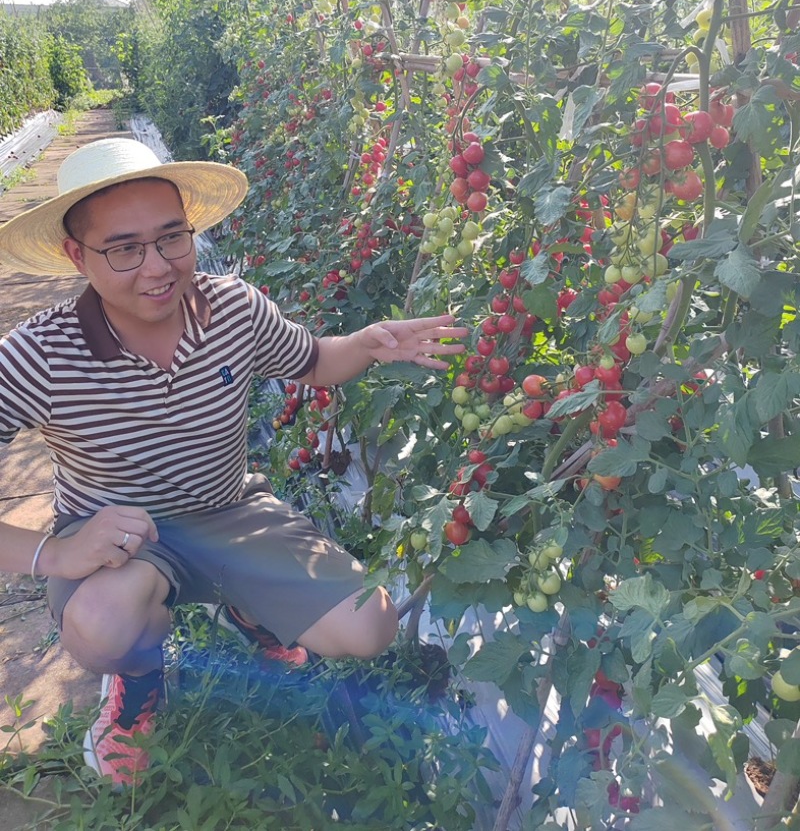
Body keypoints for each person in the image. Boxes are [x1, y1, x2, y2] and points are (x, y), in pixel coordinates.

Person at [0, 136, 467, 787]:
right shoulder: (39, 354)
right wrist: (50, 554)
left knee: (371, 623)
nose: (158, 265)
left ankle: (248, 605)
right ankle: (135, 684)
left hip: (231, 510)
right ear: (76, 254)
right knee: (102, 626)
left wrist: (365, 344)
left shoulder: (233, 309)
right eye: (125, 248)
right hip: (120, 536)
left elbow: (313, 361)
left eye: (172, 237)